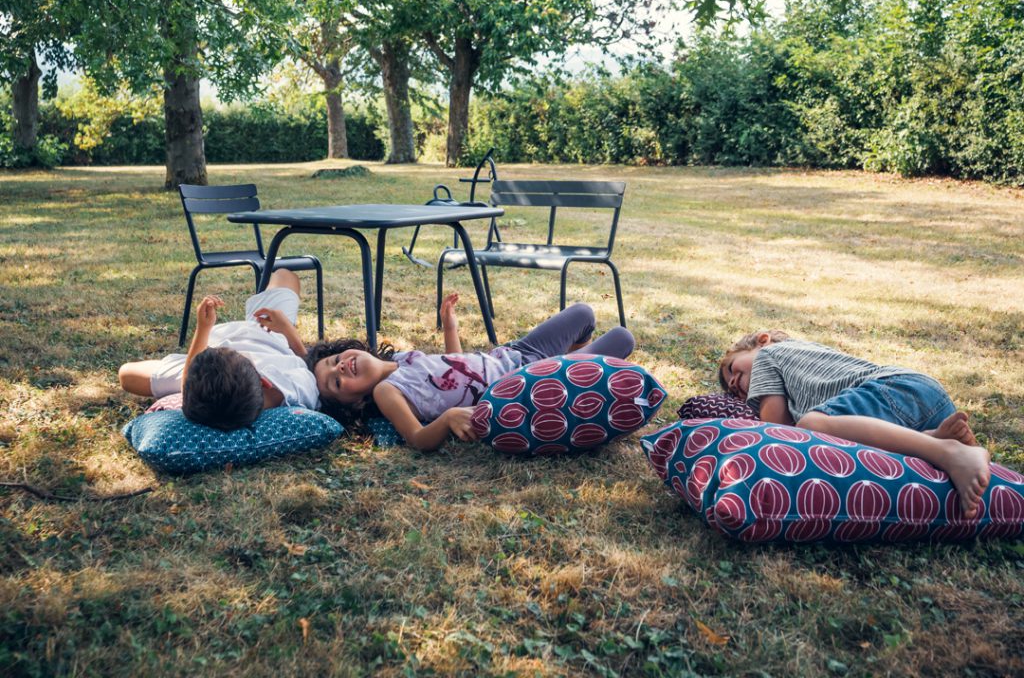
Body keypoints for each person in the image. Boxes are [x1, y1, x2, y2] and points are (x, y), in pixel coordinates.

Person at [303, 294, 636, 451]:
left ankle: (571, 376)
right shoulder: (385, 392)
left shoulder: (402, 358)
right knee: (622, 338)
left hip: (514, 354)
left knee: (583, 313)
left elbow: (457, 371)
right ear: (353, 401)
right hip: (520, 386)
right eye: (337, 382)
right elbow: (418, 439)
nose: (341, 368)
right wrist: (448, 419)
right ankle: (563, 381)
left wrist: (450, 329)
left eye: (334, 360)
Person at [718, 330, 991, 518]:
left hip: (895, 389)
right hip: (921, 399)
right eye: (731, 392)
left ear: (762, 340)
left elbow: (777, 429)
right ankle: (932, 437)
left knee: (811, 424)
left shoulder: (768, 356)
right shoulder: (808, 362)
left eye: (731, 368)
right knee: (828, 429)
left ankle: (950, 454)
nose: (731, 384)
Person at [118, 270, 318, 430]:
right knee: (284, 275)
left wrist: (203, 329)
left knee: (128, 375)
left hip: (210, 370)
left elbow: (187, 386)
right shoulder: (295, 390)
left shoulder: (202, 388)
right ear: (264, 380)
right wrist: (287, 329)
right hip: (268, 330)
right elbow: (306, 362)